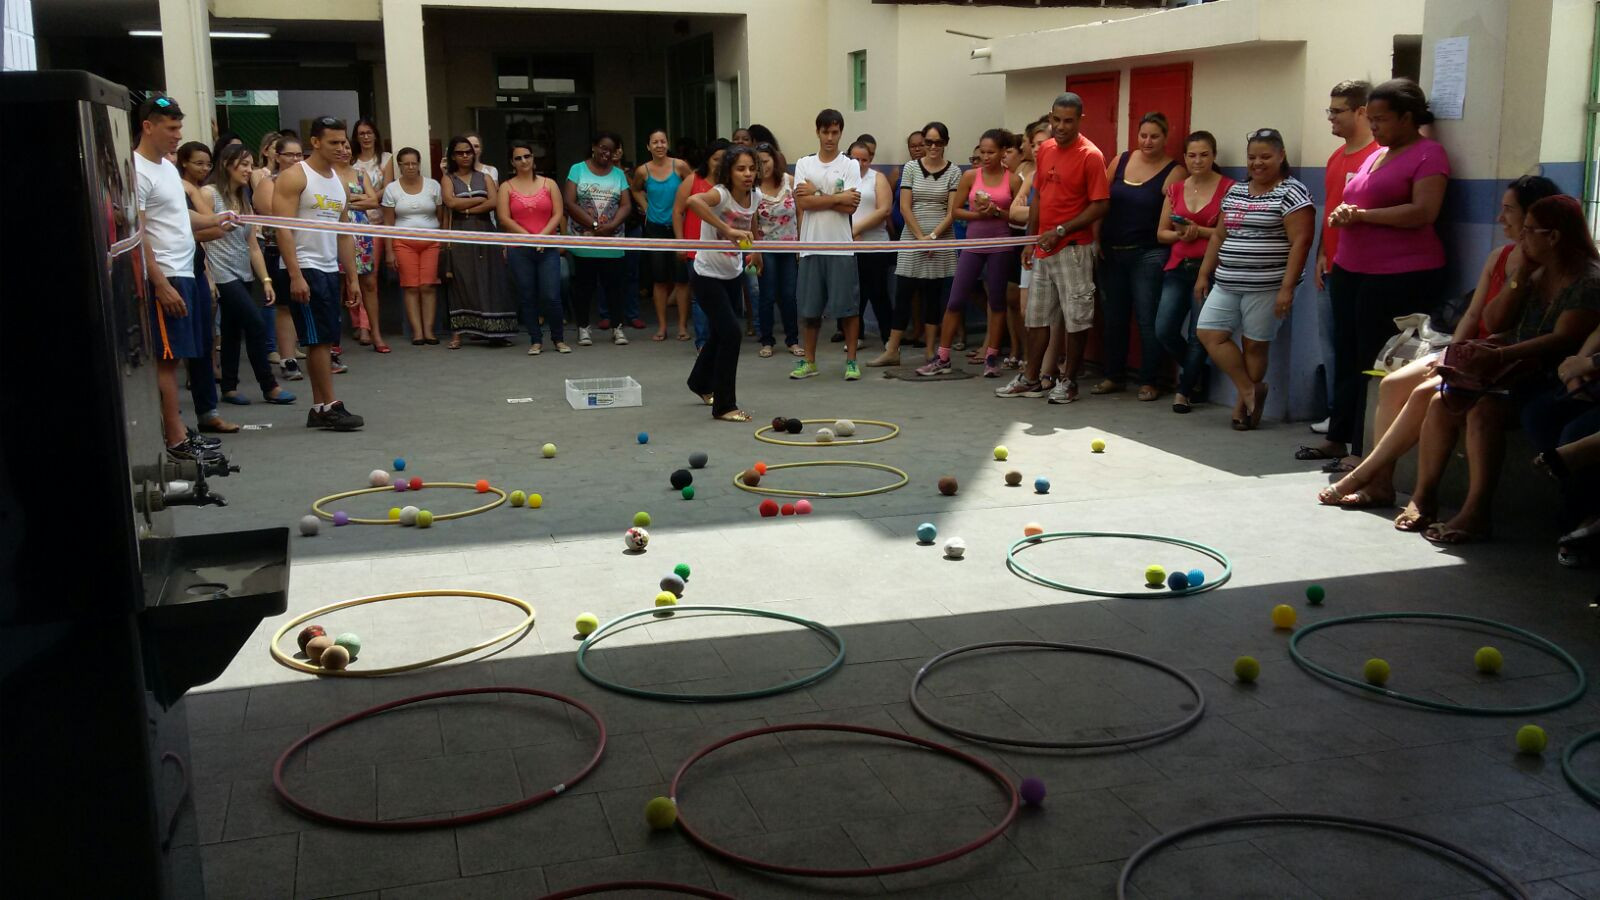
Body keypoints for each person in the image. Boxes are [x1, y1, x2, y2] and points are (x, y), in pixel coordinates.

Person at [1318, 176, 1560, 509]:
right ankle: (1381, 485)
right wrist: (1450, 354)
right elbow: (1473, 316)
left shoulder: (1548, 269)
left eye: (1508, 210)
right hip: (1468, 352)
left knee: (1423, 393)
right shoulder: (1499, 256)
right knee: (1391, 384)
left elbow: (1506, 327)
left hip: (1501, 360)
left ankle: (1366, 473)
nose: (1500, 218)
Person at [1400, 196, 1600, 543]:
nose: (1520, 240)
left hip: (1551, 376)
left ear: (1553, 236)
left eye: (1528, 232)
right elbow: (1495, 320)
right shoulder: (1536, 272)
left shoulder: (1587, 281)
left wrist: (1500, 357)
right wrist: (1519, 276)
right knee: (1442, 402)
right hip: (1515, 370)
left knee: (1485, 415)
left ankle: (1477, 511)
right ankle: (1424, 495)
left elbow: (1562, 338)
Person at [1304, 79, 1450, 467]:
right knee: (1347, 354)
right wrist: (1343, 218)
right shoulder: (1376, 155)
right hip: (1351, 268)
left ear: (1407, 117)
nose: (1376, 126)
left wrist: (1364, 216)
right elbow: (1353, 200)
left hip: (1398, 274)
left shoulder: (1428, 154)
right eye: (1373, 118)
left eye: (1382, 119)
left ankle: (1364, 449)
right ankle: (1339, 436)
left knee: (1375, 358)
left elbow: (1424, 212)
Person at [136, 98, 242, 459]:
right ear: (148, 127)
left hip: (187, 272)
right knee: (168, 360)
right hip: (166, 275)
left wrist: (218, 220)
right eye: (170, 128)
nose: (177, 135)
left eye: (179, 127)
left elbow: (183, 221)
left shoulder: (167, 168)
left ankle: (182, 431)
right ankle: (176, 439)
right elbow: (140, 232)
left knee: (184, 353)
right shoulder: (137, 171)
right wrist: (160, 282)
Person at [1193, 129, 1314, 430]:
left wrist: (1287, 288)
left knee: (1254, 345)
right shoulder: (1235, 191)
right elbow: (1220, 235)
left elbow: (1301, 242)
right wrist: (1203, 273)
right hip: (1227, 281)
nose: (1257, 163)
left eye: (1265, 156)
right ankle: (1250, 389)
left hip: (1267, 286)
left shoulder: (1292, 192)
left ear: (1281, 156)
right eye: (1252, 157)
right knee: (1209, 333)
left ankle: (1241, 405)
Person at [997, 93, 1110, 403]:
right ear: (1050, 117)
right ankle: (1031, 378)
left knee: (1077, 318)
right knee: (1035, 316)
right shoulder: (1045, 149)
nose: (1060, 127)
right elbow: (1040, 198)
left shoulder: (1091, 156)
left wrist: (1062, 230)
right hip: (1043, 249)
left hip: (1074, 249)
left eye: (1068, 121)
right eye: (1056, 120)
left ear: (1079, 120)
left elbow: (1100, 205)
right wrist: (1031, 241)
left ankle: (1068, 381)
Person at [272, 115, 365, 431]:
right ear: (315, 142)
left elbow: (343, 233)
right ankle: (328, 405)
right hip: (304, 267)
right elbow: (283, 231)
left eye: (343, 142)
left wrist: (351, 277)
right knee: (318, 341)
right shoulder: (295, 177)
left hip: (327, 268)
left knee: (326, 338)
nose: (342, 148)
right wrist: (295, 274)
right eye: (334, 142)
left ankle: (319, 407)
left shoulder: (339, 182)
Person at [918, 128, 1022, 377]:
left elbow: (1019, 217)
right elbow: (956, 211)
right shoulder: (970, 176)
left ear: (1002, 153)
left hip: (1001, 245)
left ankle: (992, 357)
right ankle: (942, 356)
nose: (986, 157)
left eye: (991, 152)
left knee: (996, 302)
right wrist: (979, 214)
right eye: (982, 152)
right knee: (955, 300)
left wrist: (998, 212)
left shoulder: (1014, 180)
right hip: (973, 244)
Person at [1096, 112, 1184, 399]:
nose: (1148, 141)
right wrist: (1096, 239)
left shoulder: (1174, 171)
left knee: (1148, 319)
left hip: (1148, 255)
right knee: (1114, 317)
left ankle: (1150, 380)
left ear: (1165, 138)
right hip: (1112, 251)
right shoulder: (1119, 161)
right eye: (1143, 135)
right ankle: (1113, 376)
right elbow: (1101, 202)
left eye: (1155, 136)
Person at [1309, 81, 1379, 434]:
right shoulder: (1336, 158)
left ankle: (1355, 420)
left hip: (1363, 270)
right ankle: (1338, 415)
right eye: (1330, 111)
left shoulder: (1379, 155)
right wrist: (1322, 253)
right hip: (1331, 268)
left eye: (1337, 111)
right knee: (1332, 346)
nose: (1331, 119)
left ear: (1361, 112)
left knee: (1356, 348)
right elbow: (1331, 210)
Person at [203, 143, 294, 406]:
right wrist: (209, 275)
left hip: (243, 274)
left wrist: (265, 280)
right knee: (255, 324)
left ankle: (229, 387)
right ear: (226, 165)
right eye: (243, 164)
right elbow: (201, 237)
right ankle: (269, 385)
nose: (248, 170)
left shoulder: (243, 199)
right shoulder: (209, 194)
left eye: (251, 164)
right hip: (222, 274)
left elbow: (253, 245)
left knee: (232, 331)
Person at [1155, 131, 1234, 413]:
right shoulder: (1176, 189)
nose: (1197, 161)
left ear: (1214, 156)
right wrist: (1181, 235)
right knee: (1163, 329)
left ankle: (1184, 391)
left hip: (1210, 268)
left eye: (1204, 155)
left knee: (1198, 333)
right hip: (1178, 267)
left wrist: (1198, 231)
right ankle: (1197, 372)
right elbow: (1162, 233)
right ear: (1185, 157)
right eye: (1191, 155)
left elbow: (1228, 232)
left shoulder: (1228, 188)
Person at [872, 122, 960, 368]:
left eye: (938, 142)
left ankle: (931, 349)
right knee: (904, 291)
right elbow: (904, 206)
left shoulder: (954, 172)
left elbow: (952, 211)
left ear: (945, 143)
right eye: (928, 142)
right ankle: (892, 349)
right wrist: (921, 237)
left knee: (934, 294)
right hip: (912, 235)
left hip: (941, 235)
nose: (932, 147)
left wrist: (933, 237)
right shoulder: (911, 168)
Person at [685, 145, 761, 421]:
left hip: (733, 272)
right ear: (729, 171)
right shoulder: (721, 194)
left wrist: (757, 250)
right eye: (741, 168)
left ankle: (699, 382)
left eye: (752, 168)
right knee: (731, 333)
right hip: (706, 275)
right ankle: (725, 405)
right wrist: (726, 229)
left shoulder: (755, 196)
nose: (748, 174)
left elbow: (752, 220)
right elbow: (693, 202)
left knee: (720, 333)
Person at [790, 110, 864, 380]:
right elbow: (803, 203)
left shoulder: (850, 165)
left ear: (841, 133)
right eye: (825, 132)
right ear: (818, 132)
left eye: (835, 132)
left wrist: (818, 193)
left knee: (848, 308)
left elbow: (850, 206)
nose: (830, 137)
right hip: (810, 246)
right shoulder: (804, 164)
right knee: (809, 310)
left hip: (841, 247)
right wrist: (836, 196)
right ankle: (809, 361)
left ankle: (852, 361)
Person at [441, 135, 516, 348]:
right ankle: (459, 333)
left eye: (468, 152)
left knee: (490, 279)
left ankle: (495, 331)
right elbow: (450, 201)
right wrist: (475, 201)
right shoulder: (448, 179)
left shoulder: (485, 177)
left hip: (484, 230)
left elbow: (494, 202)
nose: (465, 156)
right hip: (460, 233)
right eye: (460, 153)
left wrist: (465, 206)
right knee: (463, 280)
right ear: (453, 156)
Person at [498, 138, 569, 355]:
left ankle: (558, 338)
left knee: (551, 295)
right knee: (527, 296)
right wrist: (529, 237)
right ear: (512, 163)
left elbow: (558, 213)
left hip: (547, 247)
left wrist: (542, 237)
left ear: (533, 159)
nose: (523, 161)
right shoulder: (506, 187)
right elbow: (503, 217)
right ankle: (535, 340)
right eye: (518, 158)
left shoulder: (549, 184)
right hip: (520, 249)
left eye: (527, 156)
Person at [564, 131, 633, 347]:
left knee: (615, 287)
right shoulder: (578, 169)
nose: (606, 153)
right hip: (584, 241)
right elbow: (570, 202)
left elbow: (626, 204)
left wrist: (611, 225)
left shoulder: (619, 174)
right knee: (584, 287)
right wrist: (593, 225)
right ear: (594, 146)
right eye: (603, 147)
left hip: (613, 241)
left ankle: (617, 328)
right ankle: (583, 328)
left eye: (611, 150)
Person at [632, 129, 693, 341]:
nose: (659, 145)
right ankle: (662, 326)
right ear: (648, 147)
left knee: (682, 280)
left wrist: (688, 209)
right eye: (654, 142)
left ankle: (683, 326)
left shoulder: (680, 166)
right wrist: (645, 206)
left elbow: (694, 186)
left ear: (667, 144)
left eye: (663, 141)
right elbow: (635, 189)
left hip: (679, 228)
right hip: (655, 228)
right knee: (659, 280)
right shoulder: (643, 171)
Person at [255, 135, 308, 380]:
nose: (296, 159)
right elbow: (273, 214)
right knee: (285, 306)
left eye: (299, 155)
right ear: (277, 156)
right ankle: (287, 360)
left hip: (308, 249)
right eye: (290, 155)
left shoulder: (307, 181)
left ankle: (324, 353)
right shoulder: (269, 182)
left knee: (309, 303)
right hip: (278, 250)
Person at [381, 146, 444, 345]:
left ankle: (429, 331)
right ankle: (417, 332)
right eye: (406, 163)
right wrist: (389, 252)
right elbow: (388, 223)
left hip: (431, 242)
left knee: (427, 286)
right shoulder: (392, 189)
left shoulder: (433, 185)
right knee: (410, 287)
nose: (410, 167)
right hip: (403, 243)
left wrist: (442, 241)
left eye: (414, 163)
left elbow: (441, 216)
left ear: (419, 164)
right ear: (399, 166)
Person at [334, 137, 385, 351]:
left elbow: (374, 201)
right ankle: (332, 339)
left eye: (347, 147)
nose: (344, 150)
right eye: (341, 147)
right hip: (337, 230)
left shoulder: (360, 174)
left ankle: (376, 334)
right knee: (336, 284)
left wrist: (349, 201)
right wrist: (357, 199)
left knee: (369, 283)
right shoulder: (327, 174)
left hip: (362, 230)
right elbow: (333, 203)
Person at [754, 141, 803, 358]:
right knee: (767, 295)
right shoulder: (752, 190)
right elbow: (750, 222)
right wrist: (754, 251)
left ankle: (792, 340)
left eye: (765, 161)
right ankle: (767, 340)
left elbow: (801, 213)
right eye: (757, 163)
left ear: (774, 160)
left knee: (789, 295)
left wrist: (802, 244)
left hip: (790, 245)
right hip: (765, 247)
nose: (762, 166)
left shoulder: (789, 182)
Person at [850, 139, 894, 351]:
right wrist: (847, 233)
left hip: (875, 245)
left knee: (878, 292)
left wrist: (856, 229)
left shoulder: (878, 178)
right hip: (849, 246)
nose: (859, 164)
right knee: (853, 294)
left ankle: (889, 338)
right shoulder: (840, 179)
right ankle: (853, 335)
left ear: (871, 160)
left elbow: (884, 210)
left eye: (864, 159)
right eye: (855, 159)